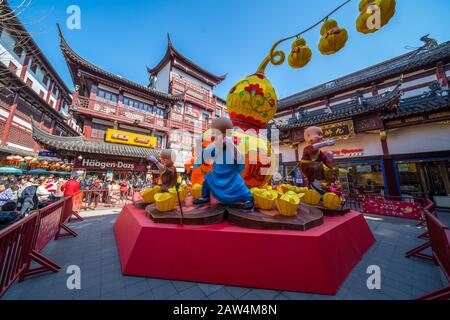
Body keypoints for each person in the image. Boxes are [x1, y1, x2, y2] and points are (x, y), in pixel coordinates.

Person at [193, 117, 254, 209]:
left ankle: (249, 198)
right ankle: (205, 196)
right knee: (208, 179)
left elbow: (239, 158)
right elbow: (207, 153)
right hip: (217, 174)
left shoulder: (232, 147)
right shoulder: (216, 148)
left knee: (239, 186)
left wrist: (230, 144)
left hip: (230, 175)